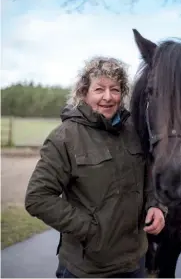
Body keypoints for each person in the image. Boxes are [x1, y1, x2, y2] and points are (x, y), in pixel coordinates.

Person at [24, 56, 167, 278]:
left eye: (115, 89)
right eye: (99, 89)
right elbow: (38, 197)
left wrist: (156, 205)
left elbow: (149, 175)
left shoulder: (134, 131)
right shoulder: (65, 138)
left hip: (134, 262)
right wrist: (90, 230)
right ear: (84, 92)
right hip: (86, 269)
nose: (108, 97)